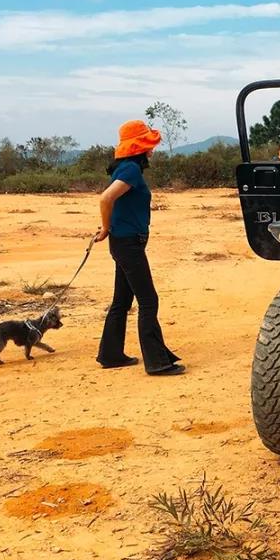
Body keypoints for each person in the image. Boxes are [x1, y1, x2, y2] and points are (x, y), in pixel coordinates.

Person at [95, 120, 185, 376]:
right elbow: (106, 198)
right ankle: (157, 363)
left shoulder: (126, 167)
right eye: (149, 144)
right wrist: (105, 228)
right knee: (148, 301)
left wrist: (109, 228)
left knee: (121, 300)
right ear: (140, 147)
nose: (152, 149)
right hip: (128, 244)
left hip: (125, 242)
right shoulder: (131, 169)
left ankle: (110, 354)